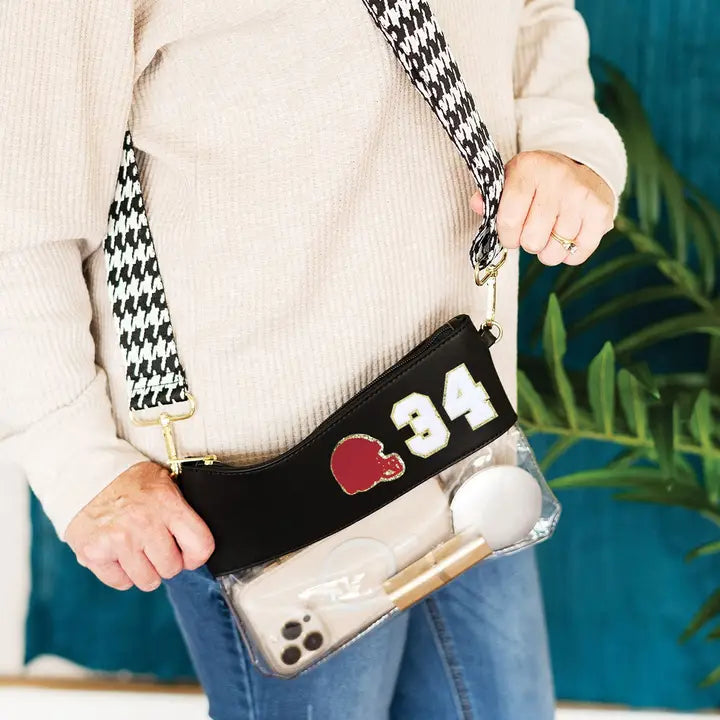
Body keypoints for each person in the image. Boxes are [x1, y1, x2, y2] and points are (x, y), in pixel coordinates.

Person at [0, 1, 626, 718]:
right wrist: (79, 464)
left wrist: (568, 145)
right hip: (272, 489)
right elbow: (17, 214)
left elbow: (536, 14)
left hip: (461, 421)